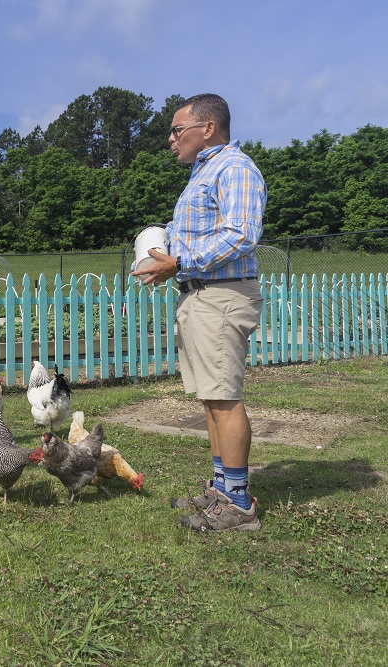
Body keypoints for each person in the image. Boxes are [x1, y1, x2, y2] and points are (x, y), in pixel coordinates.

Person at [132, 93, 266, 531]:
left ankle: (239, 505)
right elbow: (189, 230)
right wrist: (160, 246)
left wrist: (179, 263)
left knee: (225, 399)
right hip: (201, 294)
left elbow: (241, 234)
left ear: (207, 128)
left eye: (176, 130)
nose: (170, 139)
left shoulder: (235, 168)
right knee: (211, 396)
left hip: (221, 296)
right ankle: (221, 488)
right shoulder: (202, 174)